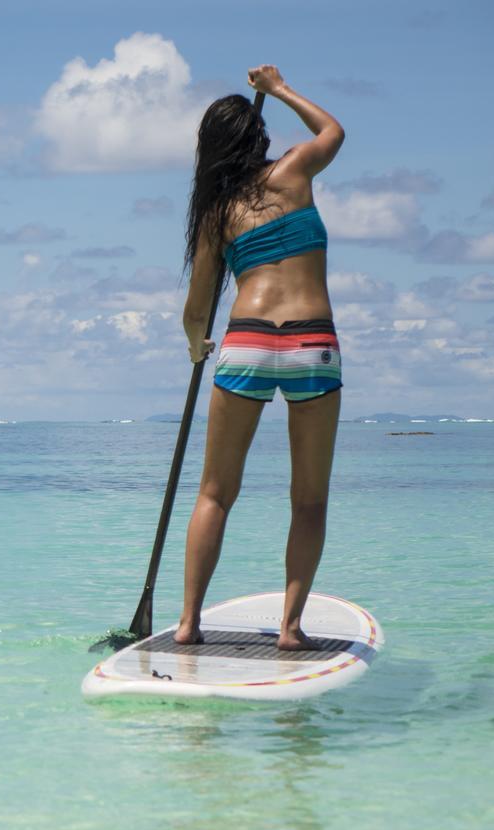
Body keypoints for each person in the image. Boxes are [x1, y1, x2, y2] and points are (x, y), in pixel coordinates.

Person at [175, 65, 345, 651]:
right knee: (309, 499)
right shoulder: (294, 171)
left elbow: (197, 309)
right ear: (260, 139)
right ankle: (291, 629)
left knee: (215, 493)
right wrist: (281, 90)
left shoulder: (216, 213)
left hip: (246, 341)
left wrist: (196, 343)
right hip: (310, 345)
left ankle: (190, 622)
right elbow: (333, 132)